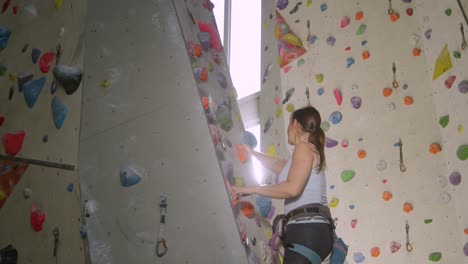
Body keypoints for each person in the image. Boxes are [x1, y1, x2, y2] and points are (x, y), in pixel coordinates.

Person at [232, 106, 334, 263]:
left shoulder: (303, 147)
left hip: (307, 229)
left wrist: (249, 189)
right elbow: (276, 164)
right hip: (313, 230)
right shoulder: (307, 153)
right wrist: (251, 152)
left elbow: (292, 188)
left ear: (294, 124)